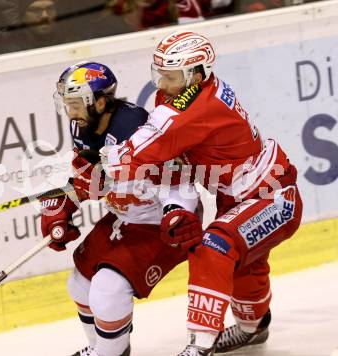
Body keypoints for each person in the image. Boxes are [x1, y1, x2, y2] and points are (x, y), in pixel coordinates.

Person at [101, 31, 303, 355]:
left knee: (216, 246)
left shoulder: (194, 108)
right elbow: (171, 161)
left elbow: (137, 154)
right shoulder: (182, 96)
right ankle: (253, 328)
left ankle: (200, 345)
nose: (161, 85)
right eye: (159, 75)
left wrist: (93, 174)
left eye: (171, 76)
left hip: (272, 196)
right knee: (244, 262)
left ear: (197, 73)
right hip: (241, 194)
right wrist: (174, 207)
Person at [40, 61, 201, 356]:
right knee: (80, 284)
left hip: (161, 223)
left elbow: (178, 178)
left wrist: (178, 211)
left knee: (109, 287)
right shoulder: (83, 126)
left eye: (76, 104)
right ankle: (102, 347)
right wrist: (62, 201)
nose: (70, 112)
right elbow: (92, 176)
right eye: (67, 103)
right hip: (126, 216)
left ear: (101, 102)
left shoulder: (137, 129)